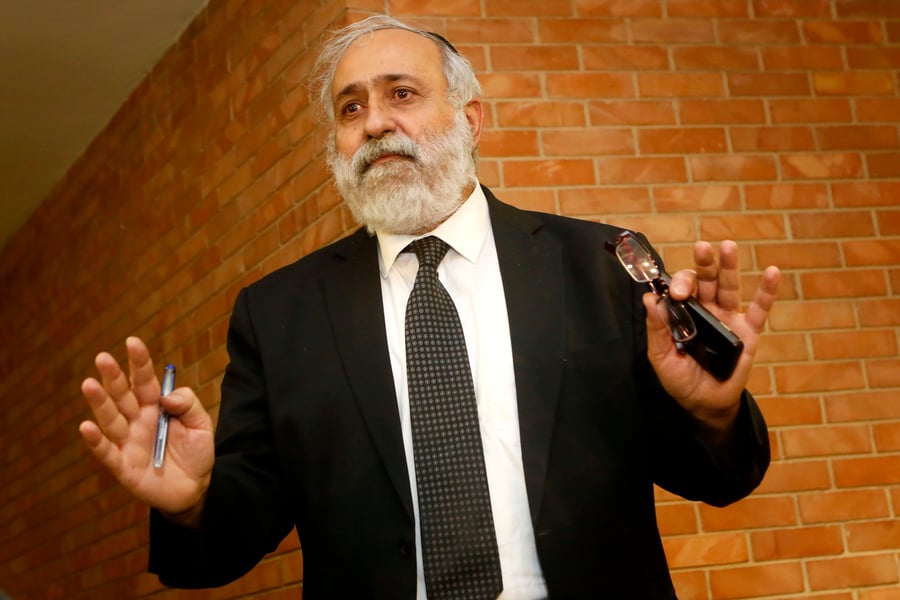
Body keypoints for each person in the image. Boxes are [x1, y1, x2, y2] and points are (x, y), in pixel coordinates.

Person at [79, 15, 781, 599]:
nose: (375, 123)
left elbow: (718, 479)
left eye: (402, 94)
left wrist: (713, 414)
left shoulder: (597, 265)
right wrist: (192, 502)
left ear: (470, 119)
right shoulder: (280, 314)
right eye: (351, 108)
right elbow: (234, 539)